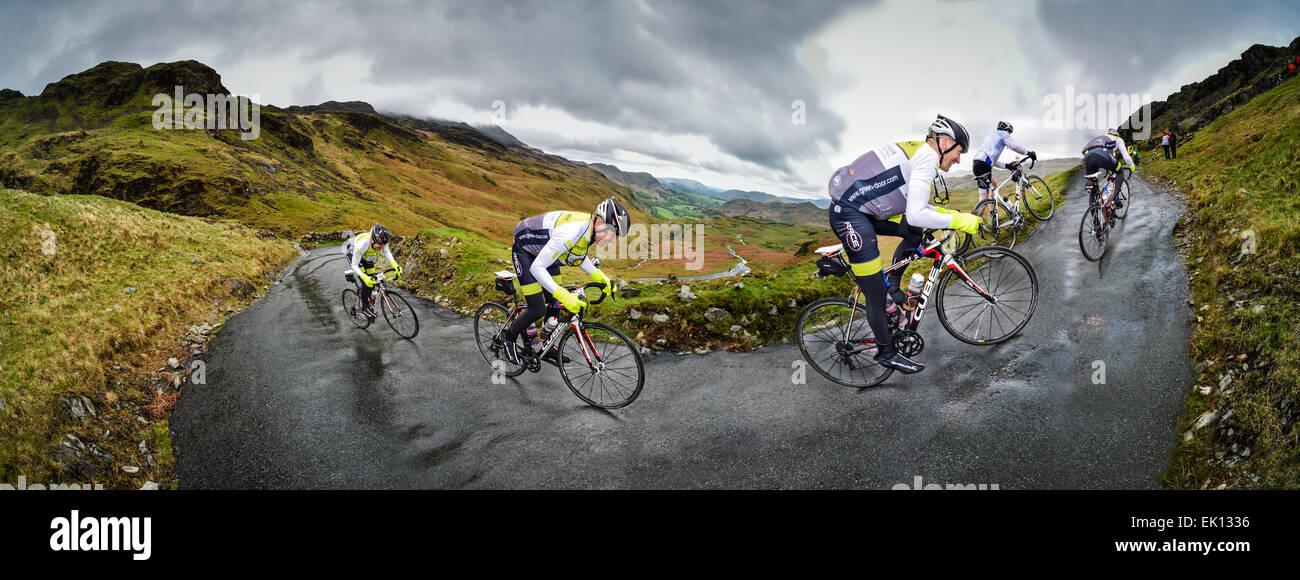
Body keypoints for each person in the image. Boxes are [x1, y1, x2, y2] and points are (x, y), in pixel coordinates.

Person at [825, 114, 982, 374]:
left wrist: (949, 217)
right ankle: (886, 353)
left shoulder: (920, 153)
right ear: (944, 143)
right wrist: (958, 220)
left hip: (865, 212)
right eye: (958, 152)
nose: (958, 159)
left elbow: (916, 211)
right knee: (875, 294)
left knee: (913, 233)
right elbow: (917, 213)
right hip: (851, 215)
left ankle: (894, 285)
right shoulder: (926, 157)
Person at [494, 198, 628, 365]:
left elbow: (578, 256)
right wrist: (563, 294)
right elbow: (537, 268)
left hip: (545, 251)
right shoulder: (572, 231)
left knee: (555, 303)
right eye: (611, 232)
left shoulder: (589, 231)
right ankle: (509, 337)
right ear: (599, 221)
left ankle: (546, 345)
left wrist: (602, 278)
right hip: (525, 251)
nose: (611, 239)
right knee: (537, 307)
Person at [344, 224, 403, 320]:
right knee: (366, 283)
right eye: (379, 246)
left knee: (373, 281)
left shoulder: (382, 241)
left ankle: (368, 298)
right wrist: (364, 276)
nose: (381, 248)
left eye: (383, 246)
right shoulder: (363, 244)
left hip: (367, 255)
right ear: (372, 240)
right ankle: (365, 308)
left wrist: (395, 265)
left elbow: (386, 252)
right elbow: (354, 265)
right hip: (353, 253)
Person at [971, 121, 1036, 204]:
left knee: (989, 189)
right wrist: (1028, 152)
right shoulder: (1003, 133)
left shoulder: (991, 136)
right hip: (984, 165)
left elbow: (991, 160)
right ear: (1007, 129)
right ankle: (979, 215)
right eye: (1009, 132)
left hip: (977, 163)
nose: (1009, 135)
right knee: (984, 197)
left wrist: (1007, 165)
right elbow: (1013, 146)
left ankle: (991, 213)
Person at [1081, 129, 1136, 208]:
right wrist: (1132, 166)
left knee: (1093, 189)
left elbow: (1110, 156)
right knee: (1119, 172)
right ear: (1117, 135)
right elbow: (1126, 158)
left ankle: (1095, 219)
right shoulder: (1118, 139)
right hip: (1102, 154)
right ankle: (1114, 199)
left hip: (1087, 157)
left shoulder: (1101, 138)